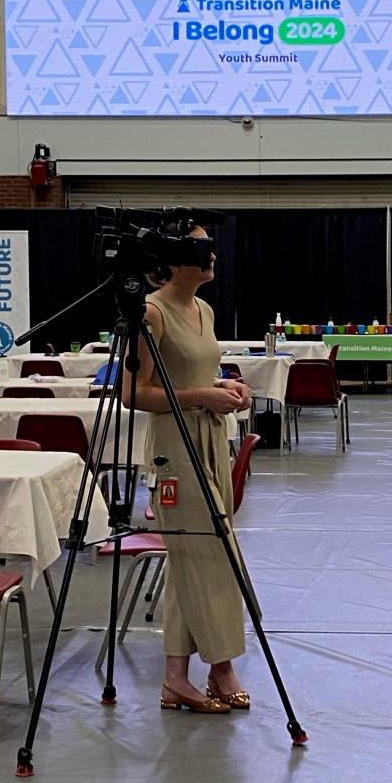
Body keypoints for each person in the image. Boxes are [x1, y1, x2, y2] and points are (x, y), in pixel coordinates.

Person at [124, 222, 252, 714]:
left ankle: (176, 677)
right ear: (175, 258)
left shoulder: (203, 309)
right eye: (202, 248)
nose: (213, 256)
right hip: (174, 445)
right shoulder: (151, 313)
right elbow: (132, 392)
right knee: (213, 552)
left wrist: (225, 385)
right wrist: (201, 396)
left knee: (189, 558)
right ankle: (221, 667)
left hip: (210, 437)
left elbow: (195, 372)